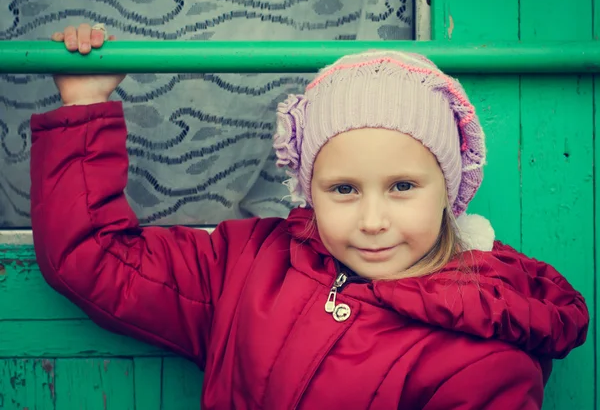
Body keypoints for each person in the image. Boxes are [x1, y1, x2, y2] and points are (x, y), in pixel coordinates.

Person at [29, 23, 589, 409]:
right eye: (343, 188)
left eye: (402, 187)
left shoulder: (484, 349)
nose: (373, 220)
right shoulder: (247, 269)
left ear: (449, 189)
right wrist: (83, 107)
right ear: (307, 189)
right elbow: (96, 259)